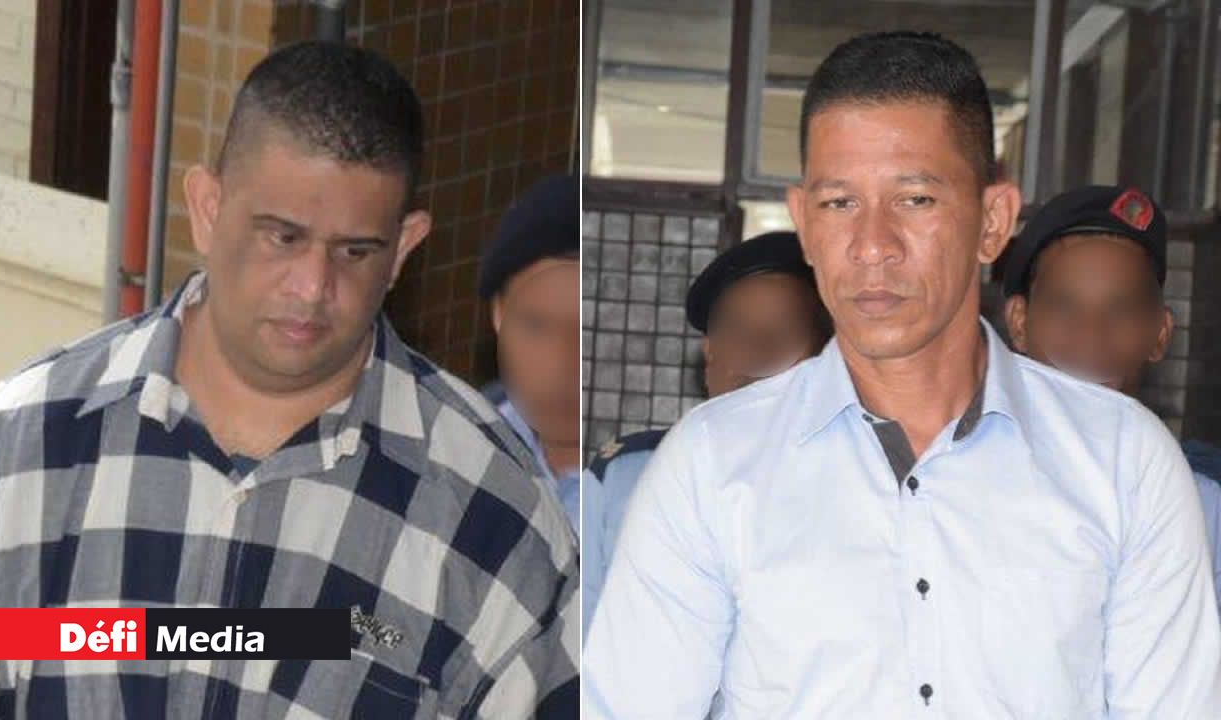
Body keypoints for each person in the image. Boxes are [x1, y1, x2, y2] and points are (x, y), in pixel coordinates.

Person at [583, 31, 1221, 718]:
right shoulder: (711, 463)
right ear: (803, 223)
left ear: (993, 221)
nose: (872, 247)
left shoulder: (1124, 461)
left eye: (915, 199)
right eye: (839, 204)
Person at [0, 42, 578, 719]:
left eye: (354, 251)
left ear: (403, 249)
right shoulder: (18, 452)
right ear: (207, 208)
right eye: (283, 237)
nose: (312, 287)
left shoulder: (494, 520)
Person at [580, 230, 830, 637]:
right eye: (739, 332)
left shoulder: (847, 482)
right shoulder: (626, 474)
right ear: (709, 352)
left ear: (823, 358)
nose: (759, 352)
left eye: (784, 334)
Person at [999, 183, 1221, 615]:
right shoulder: (962, 486)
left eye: (1121, 310)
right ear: (1020, 323)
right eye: (1065, 307)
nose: (1092, 337)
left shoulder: (1201, 509)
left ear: (1160, 334)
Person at [479, 175, 581, 531]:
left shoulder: (662, 478)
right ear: (498, 315)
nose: (560, 363)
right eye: (536, 326)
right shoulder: (448, 449)